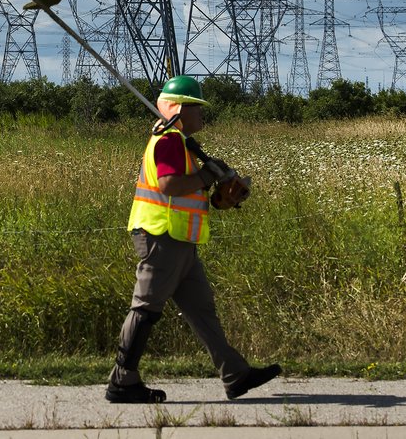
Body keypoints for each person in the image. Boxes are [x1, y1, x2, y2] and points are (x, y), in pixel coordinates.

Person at [105, 74, 282, 404]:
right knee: (145, 309)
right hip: (161, 236)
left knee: (202, 311)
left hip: (181, 240)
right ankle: (122, 380)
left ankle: (235, 374)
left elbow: (186, 192)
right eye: (196, 108)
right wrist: (205, 175)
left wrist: (214, 191)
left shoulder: (181, 143)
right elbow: (170, 185)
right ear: (179, 109)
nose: (202, 114)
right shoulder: (170, 140)